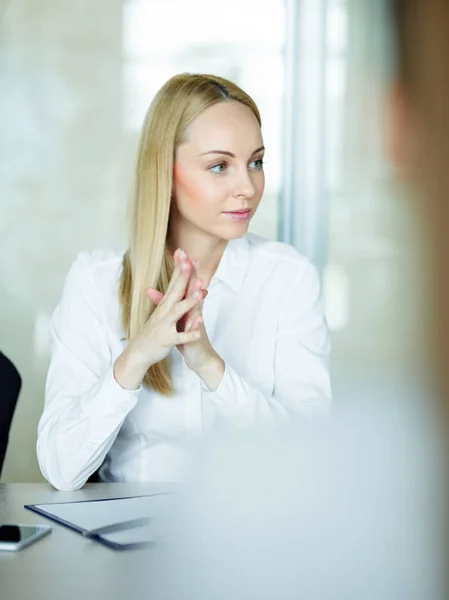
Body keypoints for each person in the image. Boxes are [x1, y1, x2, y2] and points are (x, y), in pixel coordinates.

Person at [37, 73, 331, 491]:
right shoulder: (95, 280)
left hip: (254, 532)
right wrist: (134, 359)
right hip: (123, 538)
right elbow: (61, 470)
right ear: (166, 173)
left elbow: (310, 457)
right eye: (219, 166)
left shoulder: (287, 277)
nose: (247, 186)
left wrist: (211, 367)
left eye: (256, 162)